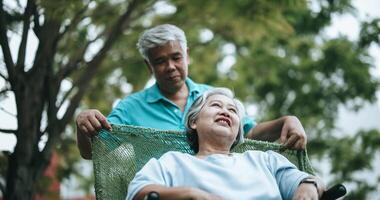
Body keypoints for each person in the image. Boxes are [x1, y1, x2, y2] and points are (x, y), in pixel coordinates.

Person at [76, 24, 307, 160]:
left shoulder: (215, 98)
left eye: (176, 57)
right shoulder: (130, 108)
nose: (170, 67)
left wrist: (287, 120)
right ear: (149, 66)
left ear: (187, 55)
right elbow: (95, 153)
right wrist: (83, 125)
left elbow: (249, 132)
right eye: (160, 61)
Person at [126, 88, 325, 200]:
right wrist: (191, 194)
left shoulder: (265, 160)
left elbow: (310, 180)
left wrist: (309, 185)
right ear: (193, 122)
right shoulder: (173, 162)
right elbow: (137, 193)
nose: (225, 112)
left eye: (232, 110)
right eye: (215, 106)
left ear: (239, 129)